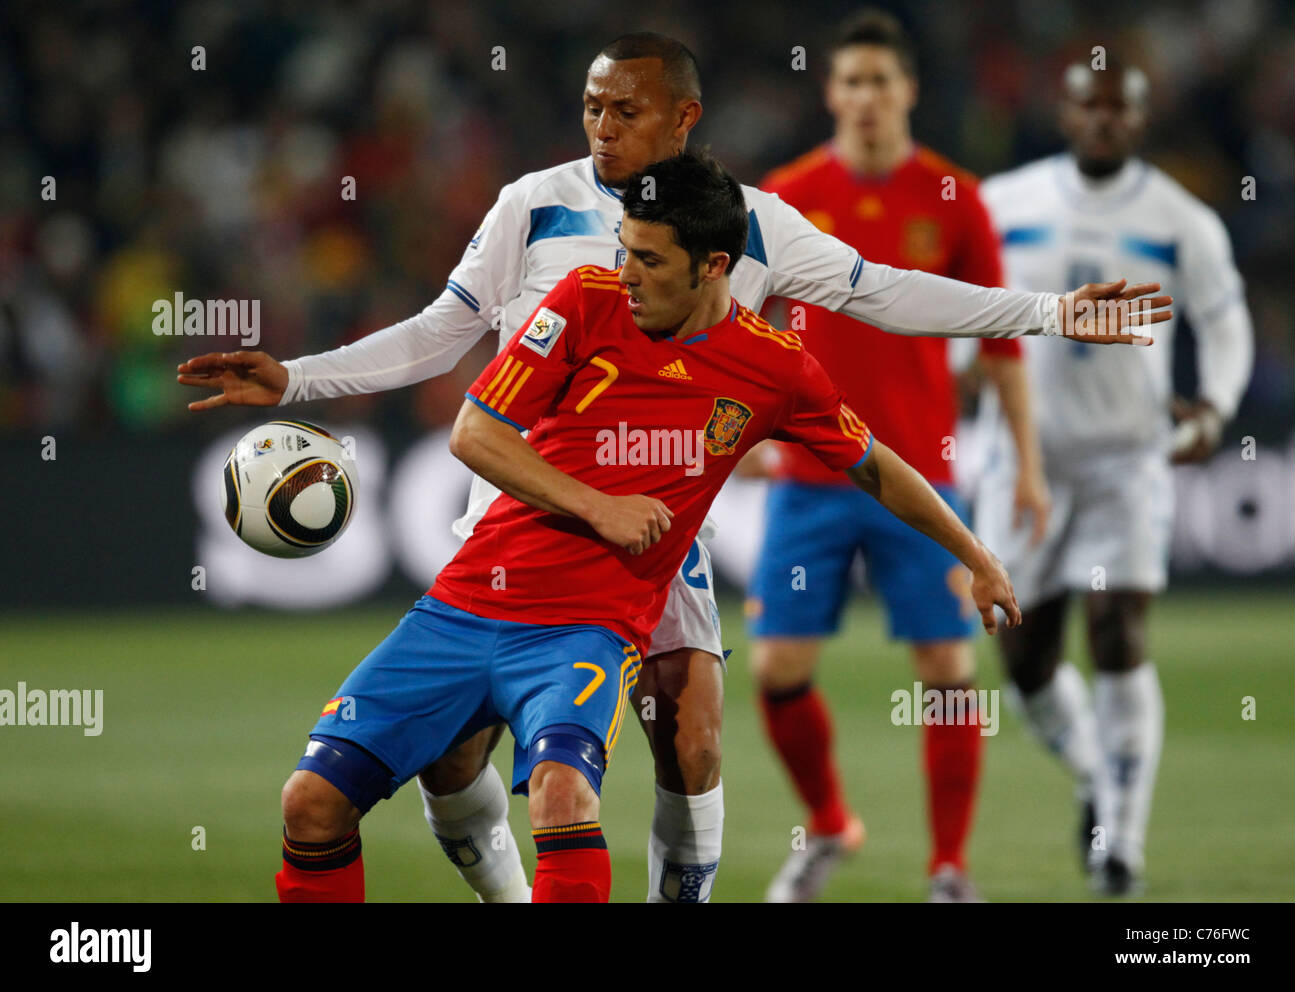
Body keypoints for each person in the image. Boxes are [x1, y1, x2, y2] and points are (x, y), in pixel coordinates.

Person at [179, 34, 1168, 903]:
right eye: (591, 107)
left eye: (625, 108)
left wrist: (1044, 310)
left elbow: (886, 292)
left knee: (688, 734)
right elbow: (442, 335)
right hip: (514, 505)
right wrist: (300, 378)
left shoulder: (751, 225)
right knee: (452, 757)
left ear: (684, 118)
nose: (602, 126)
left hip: (651, 520)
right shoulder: (535, 209)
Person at [271, 149, 1026, 903]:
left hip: (585, 631)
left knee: (569, 794)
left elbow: (875, 466)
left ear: (713, 266)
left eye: (647, 259)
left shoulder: (775, 369)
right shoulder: (582, 300)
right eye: (623, 250)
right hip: (462, 606)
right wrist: (600, 506)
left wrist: (977, 556)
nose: (624, 272)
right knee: (310, 802)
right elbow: (475, 435)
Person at [741, 9, 1048, 904]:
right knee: (776, 670)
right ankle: (831, 826)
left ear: (907, 90)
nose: (867, 97)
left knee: (948, 673)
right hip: (811, 470)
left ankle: (949, 869)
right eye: (851, 82)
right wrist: (746, 431)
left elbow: (1001, 341)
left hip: (922, 474)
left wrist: (1027, 463)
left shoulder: (953, 196)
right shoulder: (787, 193)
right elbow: (746, 329)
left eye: (882, 81)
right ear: (831, 93)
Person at [973, 60, 1254, 895]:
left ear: (1140, 120)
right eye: (1088, 106)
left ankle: (1120, 844)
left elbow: (1225, 318)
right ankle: (1099, 771)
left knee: (1119, 633)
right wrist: (956, 365)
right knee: (1024, 659)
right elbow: (965, 300)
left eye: (1118, 110)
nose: (1102, 121)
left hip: (1129, 460)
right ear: (1064, 113)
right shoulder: (1004, 202)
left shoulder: (1182, 220)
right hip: (1027, 460)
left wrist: (1213, 406)